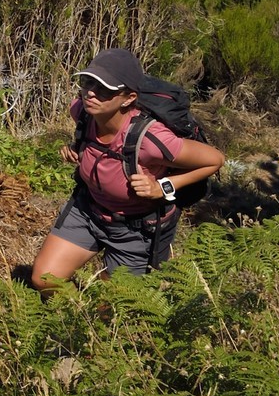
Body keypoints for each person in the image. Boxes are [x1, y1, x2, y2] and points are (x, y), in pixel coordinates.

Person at [29, 48, 224, 295]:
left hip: (136, 230)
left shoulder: (150, 139)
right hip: (88, 212)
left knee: (111, 307)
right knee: (44, 279)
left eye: (104, 89)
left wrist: (162, 187)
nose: (91, 93)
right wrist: (76, 149)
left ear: (128, 98)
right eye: (87, 82)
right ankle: (71, 318)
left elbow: (215, 160)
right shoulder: (82, 112)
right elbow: (94, 143)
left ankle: (92, 323)